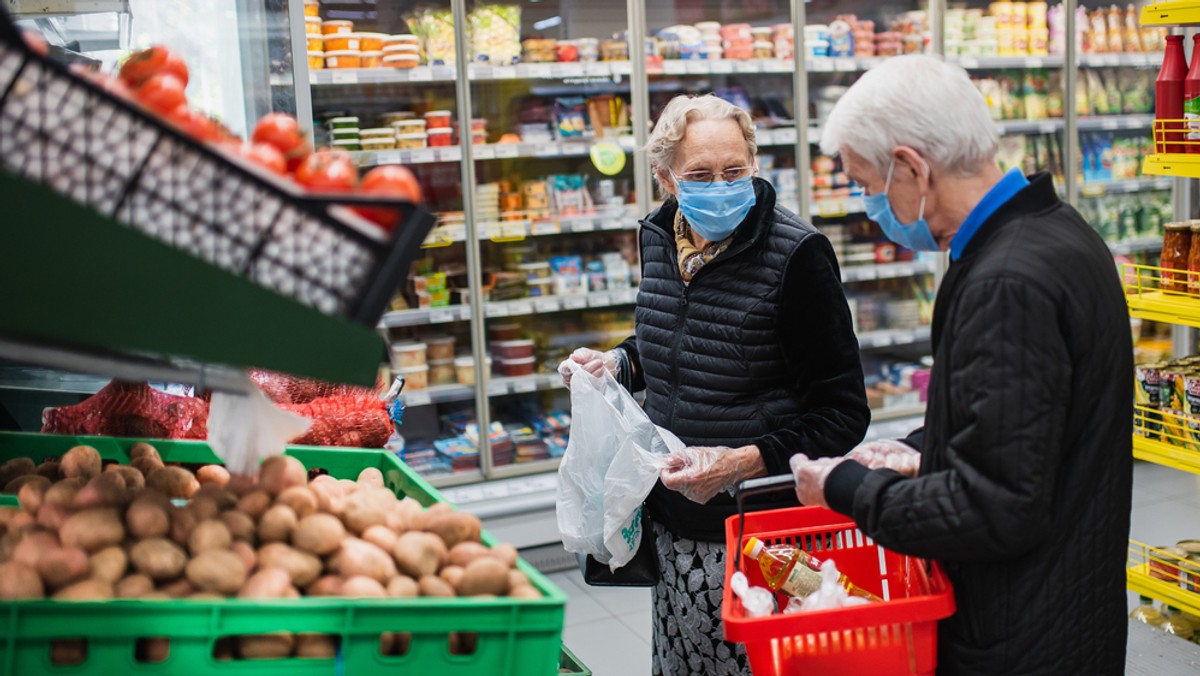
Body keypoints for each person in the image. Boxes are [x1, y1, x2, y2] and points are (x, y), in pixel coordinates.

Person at [790, 54, 1132, 675]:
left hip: (1019, 637)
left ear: (911, 167)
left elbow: (993, 508)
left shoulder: (1006, 282)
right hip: (1071, 607)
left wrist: (843, 487)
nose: (872, 206)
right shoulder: (1060, 233)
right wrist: (926, 448)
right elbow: (1033, 429)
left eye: (869, 185)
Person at [559, 93, 869, 675]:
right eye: (700, 174)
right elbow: (672, 344)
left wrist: (741, 462)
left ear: (755, 164)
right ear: (665, 178)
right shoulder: (659, 237)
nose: (721, 186)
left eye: (735, 171)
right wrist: (617, 363)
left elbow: (843, 412)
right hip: (676, 522)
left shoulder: (798, 255)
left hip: (763, 535)